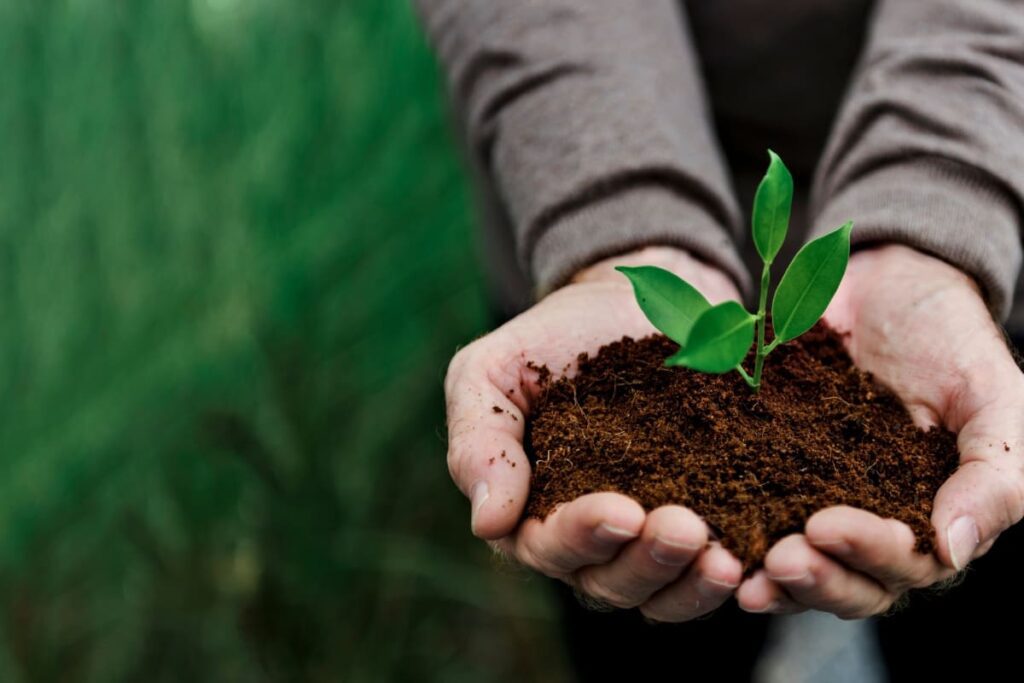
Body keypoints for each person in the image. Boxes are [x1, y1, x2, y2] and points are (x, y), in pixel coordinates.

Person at [416, 1, 1024, 679]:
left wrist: (941, 205)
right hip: (571, 195)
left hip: (985, 204)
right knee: (650, 622)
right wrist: (613, 210)